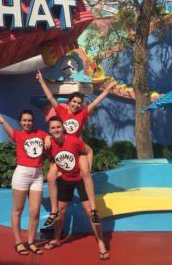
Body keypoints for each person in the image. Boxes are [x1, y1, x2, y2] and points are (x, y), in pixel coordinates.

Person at [36, 70, 116, 228]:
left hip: (77, 150)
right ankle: (54, 210)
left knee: (85, 173)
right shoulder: (61, 110)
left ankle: (93, 210)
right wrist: (42, 82)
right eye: (74, 102)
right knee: (51, 177)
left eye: (79, 103)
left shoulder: (83, 113)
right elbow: (51, 98)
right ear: (69, 102)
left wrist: (106, 91)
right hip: (61, 150)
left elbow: (95, 103)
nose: (76, 105)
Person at [0, 96, 48, 256]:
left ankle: (30, 242)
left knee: (35, 212)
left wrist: (50, 140)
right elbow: (2, 122)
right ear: (19, 122)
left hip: (37, 175)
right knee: (18, 210)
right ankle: (18, 242)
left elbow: (53, 137)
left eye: (29, 120)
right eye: (24, 120)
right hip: (22, 174)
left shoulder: (40, 133)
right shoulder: (17, 135)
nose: (27, 123)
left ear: (33, 121)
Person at [44, 116, 109, 260]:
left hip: (80, 179)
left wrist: (88, 169)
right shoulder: (49, 145)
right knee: (61, 211)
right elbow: (51, 159)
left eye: (58, 127)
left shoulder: (73, 141)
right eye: (53, 128)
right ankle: (56, 239)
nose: (56, 130)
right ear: (49, 130)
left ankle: (101, 243)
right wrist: (57, 171)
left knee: (90, 212)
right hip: (65, 180)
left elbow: (89, 151)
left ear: (63, 128)